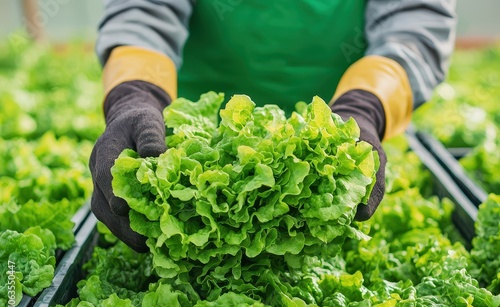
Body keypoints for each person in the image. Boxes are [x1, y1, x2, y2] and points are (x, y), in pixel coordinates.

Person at [90, 0, 457, 253]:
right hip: (190, 135)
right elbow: (143, 8)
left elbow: (413, 20)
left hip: (349, 117)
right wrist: (135, 92)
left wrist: (367, 106)